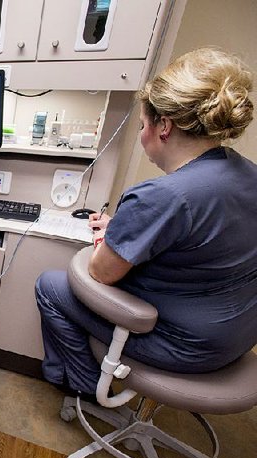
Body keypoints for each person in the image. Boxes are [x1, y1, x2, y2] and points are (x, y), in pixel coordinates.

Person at [36, 48, 257, 396]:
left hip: (182, 345)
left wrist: (107, 242)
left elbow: (101, 272)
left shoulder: (161, 196)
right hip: (238, 337)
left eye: (142, 124)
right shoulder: (247, 175)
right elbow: (198, 241)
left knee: (51, 286)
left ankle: (84, 387)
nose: (142, 135)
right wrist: (124, 231)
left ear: (164, 126)